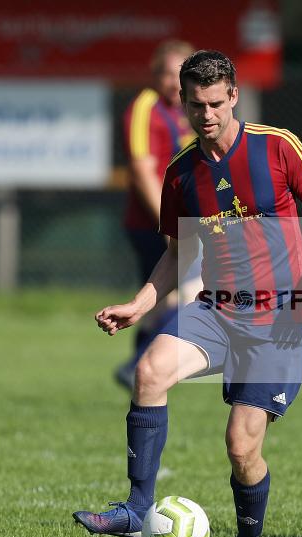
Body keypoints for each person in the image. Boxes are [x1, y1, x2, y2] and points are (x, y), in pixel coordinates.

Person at [73, 50, 302, 537]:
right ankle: (137, 509)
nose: (208, 115)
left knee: (241, 447)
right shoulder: (181, 175)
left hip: (281, 320)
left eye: (217, 103)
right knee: (150, 372)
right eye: (197, 105)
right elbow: (177, 256)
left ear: (234, 97)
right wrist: (139, 303)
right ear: (182, 102)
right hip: (217, 310)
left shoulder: (278, 147)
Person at [115, 39, 201, 389]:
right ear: (155, 75)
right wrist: (167, 223)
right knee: (192, 292)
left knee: (157, 302)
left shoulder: (180, 111)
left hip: (177, 223)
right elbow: (142, 170)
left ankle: (141, 371)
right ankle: (138, 366)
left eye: (181, 75)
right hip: (152, 224)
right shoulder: (145, 107)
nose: (173, 82)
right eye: (167, 74)